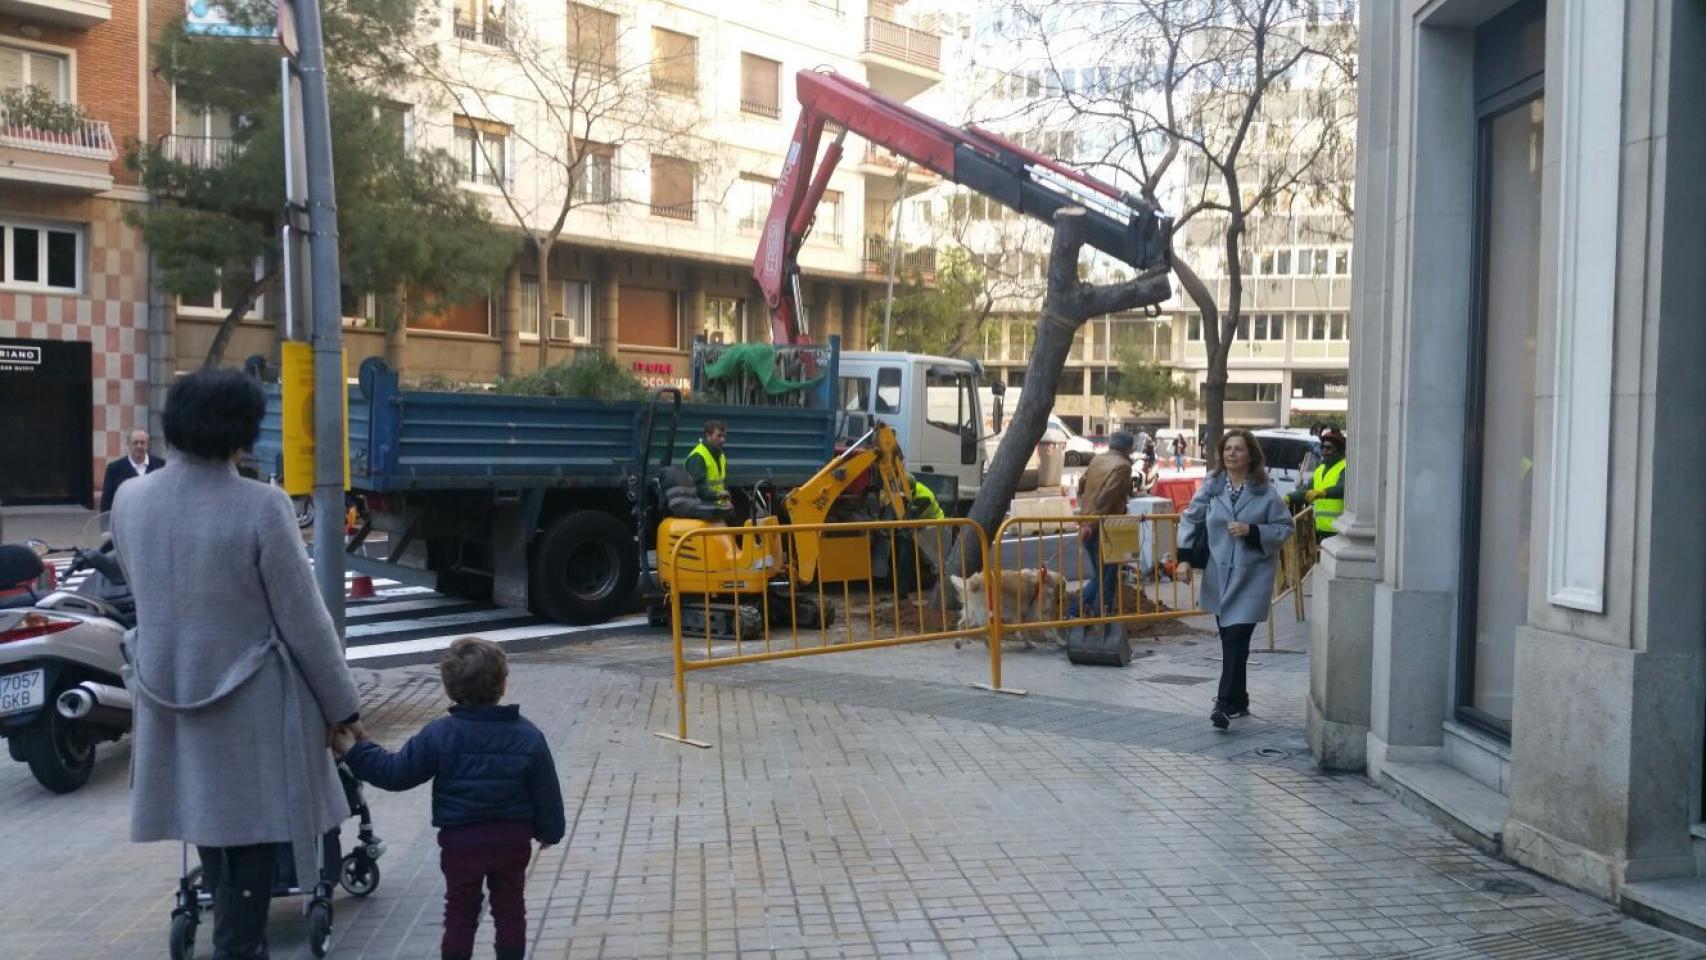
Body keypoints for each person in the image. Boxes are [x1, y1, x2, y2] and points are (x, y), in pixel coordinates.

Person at [112, 369, 363, 960]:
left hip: (169, 692)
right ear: (241, 432)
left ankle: (236, 940)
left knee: (208, 821)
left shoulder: (131, 499)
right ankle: (239, 946)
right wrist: (343, 706)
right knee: (252, 831)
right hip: (250, 702)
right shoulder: (260, 505)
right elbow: (305, 620)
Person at [336, 637, 565, 960]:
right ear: (503, 683)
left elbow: (396, 773)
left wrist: (355, 750)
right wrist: (549, 831)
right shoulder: (527, 735)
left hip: (461, 843)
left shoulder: (440, 734)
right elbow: (546, 790)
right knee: (510, 907)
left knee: (460, 912)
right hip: (511, 841)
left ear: (449, 688)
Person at [1176, 429, 1293, 730]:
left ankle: (1224, 704)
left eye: (1238, 449)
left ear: (1251, 455)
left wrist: (1253, 531)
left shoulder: (1265, 493)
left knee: (1236, 639)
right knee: (1231, 641)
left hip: (1251, 578)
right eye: (1227, 449)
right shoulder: (1212, 487)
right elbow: (1191, 518)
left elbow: (1285, 527)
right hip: (1218, 577)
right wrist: (1184, 558)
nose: (1231, 454)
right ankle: (1239, 700)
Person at [1071, 431, 1135, 617]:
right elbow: (1107, 496)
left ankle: (1090, 614)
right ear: (1128, 448)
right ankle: (1082, 612)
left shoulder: (1097, 459)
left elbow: (1081, 485)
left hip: (1089, 522)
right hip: (1104, 527)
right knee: (1106, 578)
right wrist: (1092, 524)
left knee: (1103, 575)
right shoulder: (1123, 466)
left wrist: (1086, 516)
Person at [1288, 428, 1346, 540]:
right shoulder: (1320, 469)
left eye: (1329, 448)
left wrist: (1323, 493)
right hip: (1320, 530)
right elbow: (1306, 490)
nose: (1324, 451)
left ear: (1339, 450)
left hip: (1337, 532)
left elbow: (1342, 488)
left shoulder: (1345, 467)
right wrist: (1289, 497)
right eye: (1322, 447)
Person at [99, 428, 166, 513]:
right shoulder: (114, 469)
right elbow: (106, 502)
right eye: (135, 442)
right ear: (128, 444)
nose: (139, 446)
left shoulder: (161, 465)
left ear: (147, 444)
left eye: (142, 442)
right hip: (125, 518)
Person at [685, 419, 729, 505]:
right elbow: (698, 489)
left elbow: (723, 483)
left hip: (717, 506)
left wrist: (726, 499)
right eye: (719, 436)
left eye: (724, 436)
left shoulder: (721, 457)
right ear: (708, 436)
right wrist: (718, 495)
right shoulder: (698, 457)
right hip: (702, 507)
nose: (722, 440)